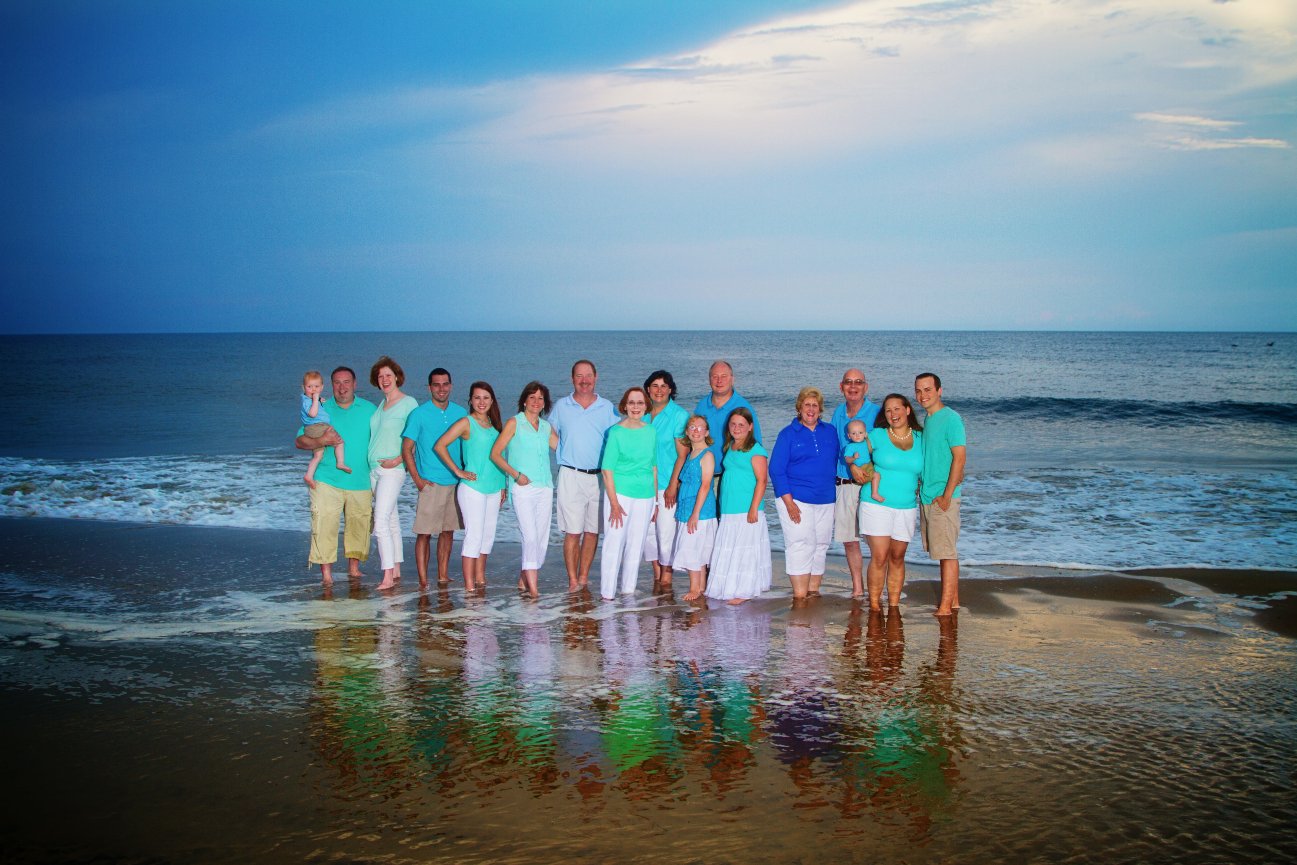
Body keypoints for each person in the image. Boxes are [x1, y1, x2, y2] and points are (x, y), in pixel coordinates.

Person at [295, 367, 375, 587]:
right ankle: (327, 575)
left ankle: (354, 569)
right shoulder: (320, 408)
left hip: (360, 479)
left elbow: (383, 439)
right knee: (324, 525)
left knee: (359, 525)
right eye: (337, 382)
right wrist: (321, 441)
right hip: (326, 479)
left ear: (355, 384)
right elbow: (300, 440)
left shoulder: (369, 409)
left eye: (346, 382)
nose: (342, 387)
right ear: (331, 385)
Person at [549, 360, 619, 591]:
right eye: (579, 376)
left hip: (599, 478)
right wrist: (562, 451)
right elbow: (547, 430)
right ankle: (572, 580)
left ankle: (583, 577)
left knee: (592, 531)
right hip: (571, 475)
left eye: (588, 375)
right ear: (572, 379)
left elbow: (619, 437)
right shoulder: (562, 406)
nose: (584, 380)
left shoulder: (607, 407)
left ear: (596, 377)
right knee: (573, 532)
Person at [769, 386, 839, 600]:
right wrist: (789, 503)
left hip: (826, 498)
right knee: (800, 545)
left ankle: (813, 591)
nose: (811, 409)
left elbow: (838, 461)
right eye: (807, 405)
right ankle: (800, 597)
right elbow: (776, 470)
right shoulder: (788, 434)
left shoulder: (830, 431)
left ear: (820, 409)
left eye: (815, 405)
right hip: (796, 499)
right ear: (799, 408)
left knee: (821, 545)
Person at [435, 382, 506, 592]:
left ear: (492, 400)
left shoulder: (494, 425)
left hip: (495, 487)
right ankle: (469, 586)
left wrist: (503, 485)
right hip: (473, 488)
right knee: (474, 535)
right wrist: (458, 471)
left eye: (485, 398)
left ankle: (480, 577)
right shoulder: (466, 423)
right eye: (477, 398)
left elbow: (500, 457)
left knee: (488, 535)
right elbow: (440, 445)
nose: (481, 402)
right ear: (471, 400)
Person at [491, 381, 559, 598]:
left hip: (545, 486)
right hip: (523, 488)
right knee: (529, 536)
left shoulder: (546, 427)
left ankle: (524, 578)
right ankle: (534, 590)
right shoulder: (514, 423)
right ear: (524, 401)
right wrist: (515, 475)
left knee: (541, 538)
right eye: (532, 397)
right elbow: (495, 454)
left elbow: (563, 450)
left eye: (540, 398)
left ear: (545, 403)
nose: (536, 402)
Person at [400, 368, 468, 588]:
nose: (441, 389)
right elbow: (406, 448)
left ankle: (442, 575)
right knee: (424, 533)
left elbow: (468, 447)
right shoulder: (419, 414)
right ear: (429, 388)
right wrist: (417, 479)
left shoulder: (460, 413)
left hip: (455, 482)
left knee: (448, 532)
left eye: (445, 384)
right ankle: (423, 580)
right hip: (430, 482)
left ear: (451, 386)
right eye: (436, 385)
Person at [860, 394, 924, 611]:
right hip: (875, 503)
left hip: (906, 506)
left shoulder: (921, 437)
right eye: (888, 410)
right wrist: (856, 468)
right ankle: (875, 606)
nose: (893, 414)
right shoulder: (877, 435)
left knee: (897, 556)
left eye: (897, 409)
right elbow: (856, 453)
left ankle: (894, 605)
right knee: (880, 556)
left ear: (907, 410)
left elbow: (934, 464)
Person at [705, 408, 771, 605]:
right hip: (729, 507)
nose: (736, 428)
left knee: (745, 550)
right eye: (733, 424)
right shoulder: (731, 446)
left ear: (750, 427)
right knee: (729, 548)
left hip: (746, 508)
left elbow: (762, 481)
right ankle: (727, 587)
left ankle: (744, 590)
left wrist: (754, 508)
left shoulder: (756, 450)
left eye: (741, 424)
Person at [914, 373, 967, 617]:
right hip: (927, 495)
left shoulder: (951, 418)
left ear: (939, 391)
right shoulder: (928, 420)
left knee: (947, 553)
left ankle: (945, 608)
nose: (922, 395)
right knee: (941, 551)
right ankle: (953, 601)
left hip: (943, 497)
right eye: (918, 390)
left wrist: (947, 495)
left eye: (928, 389)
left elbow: (960, 457)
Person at [599, 387, 657, 600]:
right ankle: (607, 595)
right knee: (614, 544)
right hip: (620, 494)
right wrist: (614, 504)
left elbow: (653, 467)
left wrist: (656, 502)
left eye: (640, 403)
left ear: (646, 406)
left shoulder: (651, 431)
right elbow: (607, 470)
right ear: (624, 406)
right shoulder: (616, 432)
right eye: (631, 403)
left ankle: (628, 592)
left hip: (646, 495)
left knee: (636, 545)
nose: (635, 407)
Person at [368, 356, 418, 591]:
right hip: (373, 469)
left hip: (392, 470)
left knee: (380, 522)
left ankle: (387, 575)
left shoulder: (408, 403)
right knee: (391, 520)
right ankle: (396, 568)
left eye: (388, 375)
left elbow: (415, 436)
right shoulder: (381, 405)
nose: (385, 379)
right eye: (380, 377)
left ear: (397, 377)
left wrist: (399, 460)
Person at [831, 368, 880, 597]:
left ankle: (878, 589)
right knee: (850, 541)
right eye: (848, 382)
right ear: (841, 387)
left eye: (858, 382)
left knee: (876, 541)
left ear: (865, 387)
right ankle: (858, 589)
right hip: (844, 484)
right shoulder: (838, 413)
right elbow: (835, 449)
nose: (853, 386)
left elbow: (883, 449)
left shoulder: (876, 413)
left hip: (870, 485)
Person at [644, 370, 689, 587]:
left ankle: (667, 577)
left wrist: (674, 484)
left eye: (664, 386)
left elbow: (683, 455)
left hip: (666, 484)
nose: (659, 390)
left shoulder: (679, 416)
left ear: (670, 390)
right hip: (643, 485)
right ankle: (657, 575)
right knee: (648, 534)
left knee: (666, 532)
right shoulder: (642, 414)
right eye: (655, 386)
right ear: (648, 389)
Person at [672, 414, 717, 602]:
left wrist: (695, 513)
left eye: (700, 427)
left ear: (706, 432)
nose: (696, 430)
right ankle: (701, 587)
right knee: (697, 548)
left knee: (692, 546)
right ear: (687, 432)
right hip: (687, 507)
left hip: (700, 510)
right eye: (692, 427)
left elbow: (705, 485)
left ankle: (694, 588)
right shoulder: (690, 454)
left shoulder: (707, 455)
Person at [694, 360, 762, 477]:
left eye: (724, 376)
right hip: (703, 476)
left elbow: (756, 446)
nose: (719, 381)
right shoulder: (702, 406)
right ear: (709, 380)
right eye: (715, 376)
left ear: (732, 379)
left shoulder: (743, 407)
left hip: (733, 477)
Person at [299, 370, 351, 489]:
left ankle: (309, 475)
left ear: (321, 387)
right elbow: (312, 414)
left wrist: (319, 400)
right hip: (318, 427)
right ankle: (340, 463)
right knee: (339, 442)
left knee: (318, 455)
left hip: (313, 428)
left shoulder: (311, 399)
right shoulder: (307, 401)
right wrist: (316, 400)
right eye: (309, 387)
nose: (313, 390)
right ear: (303, 387)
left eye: (316, 387)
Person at [842, 419, 884, 504]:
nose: (857, 435)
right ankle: (874, 493)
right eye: (854, 433)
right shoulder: (850, 447)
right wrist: (853, 458)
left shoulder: (865, 442)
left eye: (860, 433)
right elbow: (847, 459)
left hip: (869, 465)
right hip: (860, 469)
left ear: (865, 434)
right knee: (877, 475)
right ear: (849, 436)